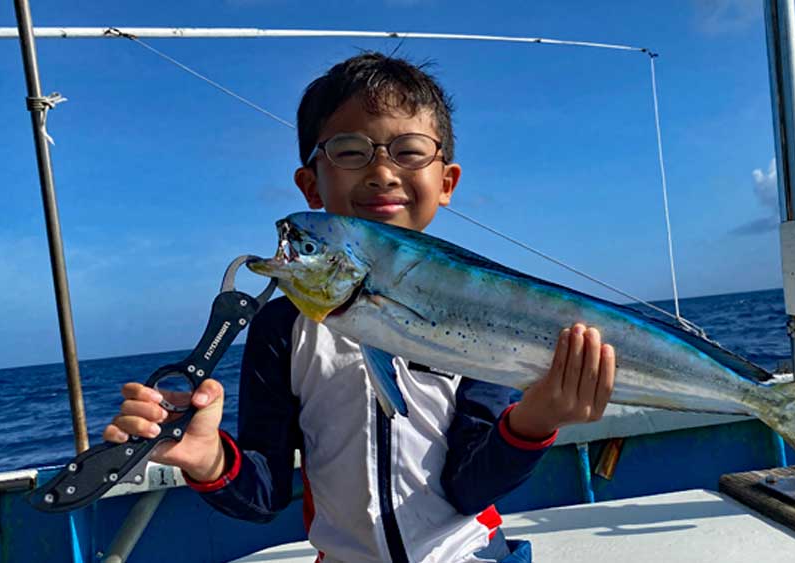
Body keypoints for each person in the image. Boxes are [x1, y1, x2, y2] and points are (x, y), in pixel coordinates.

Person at [104, 52, 616, 563]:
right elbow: (265, 493)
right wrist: (209, 458)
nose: (382, 173)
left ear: (447, 183)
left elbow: (468, 487)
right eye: (350, 152)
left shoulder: (480, 309)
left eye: (409, 152)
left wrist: (535, 420)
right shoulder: (281, 330)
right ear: (310, 186)